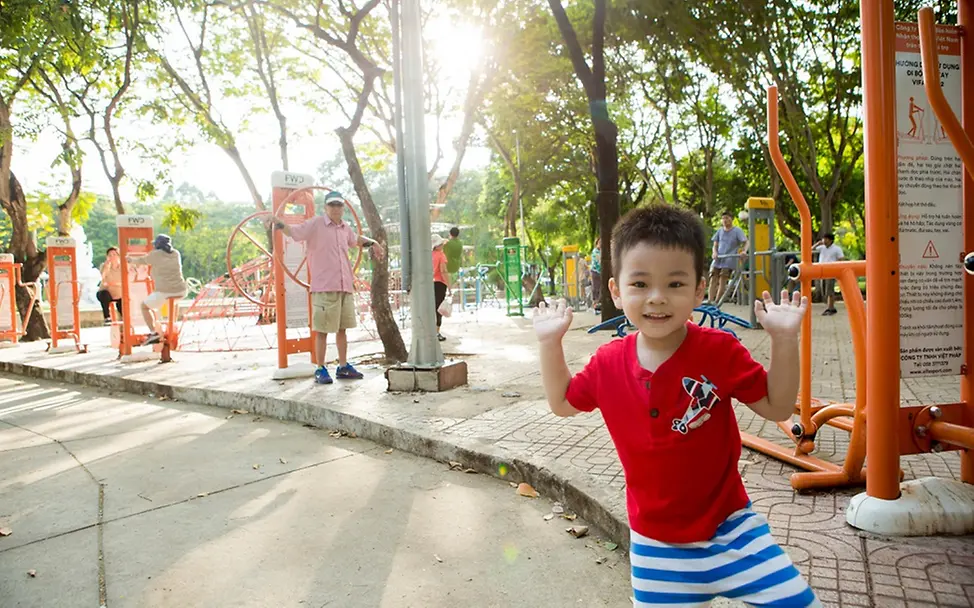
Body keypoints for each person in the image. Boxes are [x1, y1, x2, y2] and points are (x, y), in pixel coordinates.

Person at [533, 204, 817, 608]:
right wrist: (549, 344)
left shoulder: (720, 351)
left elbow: (777, 406)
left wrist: (785, 341)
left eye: (675, 284)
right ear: (616, 290)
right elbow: (562, 403)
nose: (657, 299)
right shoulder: (608, 363)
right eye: (640, 284)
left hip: (733, 532)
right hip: (656, 548)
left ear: (700, 289)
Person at [270, 191, 384, 384]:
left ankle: (343, 365)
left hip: (344, 285)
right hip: (324, 286)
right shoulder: (315, 224)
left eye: (339, 205)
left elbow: (355, 240)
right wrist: (279, 224)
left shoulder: (345, 228)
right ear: (326, 207)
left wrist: (373, 243)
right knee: (322, 330)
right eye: (332, 205)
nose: (336, 209)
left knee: (342, 329)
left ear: (343, 207)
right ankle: (320, 368)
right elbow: (295, 232)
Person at [127, 235, 188, 346]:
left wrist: (129, 260)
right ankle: (171, 325)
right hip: (181, 291)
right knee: (171, 303)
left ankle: (153, 332)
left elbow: (142, 260)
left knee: (144, 306)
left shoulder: (155, 254)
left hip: (164, 292)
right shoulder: (176, 253)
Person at [709, 211, 748, 303]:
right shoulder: (720, 231)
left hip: (729, 259)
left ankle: (717, 301)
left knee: (723, 280)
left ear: (732, 219)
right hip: (718, 259)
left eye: (727, 218)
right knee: (713, 278)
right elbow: (715, 244)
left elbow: (746, 241)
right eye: (723, 218)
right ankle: (710, 300)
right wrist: (714, 252)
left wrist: (744, 251)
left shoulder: (737, 230)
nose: (725, 220)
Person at [813, 232, 844, 315]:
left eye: (826, 239)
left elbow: (841, 259)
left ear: (831, 240)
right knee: (823, 290)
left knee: (829, 290)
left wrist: (837, 269)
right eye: (824, 239)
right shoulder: (822, 248)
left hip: (831, 271)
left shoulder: (837, 249)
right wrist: (817, 243)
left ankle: (830, 307)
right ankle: (830, 307)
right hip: (822, 270)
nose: (824, 241)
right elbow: (810, 250)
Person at [96, 246, 123, 325]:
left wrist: (114, 284)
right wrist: (107, 266)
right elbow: (103, 277)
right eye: (110, 255)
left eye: (114, 254)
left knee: (122, 301)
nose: (112, 257)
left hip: (119, 293)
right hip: (107, 293)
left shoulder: (123, 267)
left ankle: (124, 319)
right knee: (104, 294)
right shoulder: (104, 266)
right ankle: (107, 317)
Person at [432, 233, 450, 342]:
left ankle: (432, 331)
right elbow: (443, 271)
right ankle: (437, 332)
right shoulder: (441, 255)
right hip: (440, 284)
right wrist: (449, 284)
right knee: (439, 309)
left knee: (432, 308)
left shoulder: (428, 255)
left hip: (430, 284)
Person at [590, 237, 602, 312]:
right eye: (600, 242)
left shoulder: (601, 251)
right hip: (596, 272)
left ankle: (598, 303)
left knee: (600, 288)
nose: (601, 244)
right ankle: (595, 303)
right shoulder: (595, 251)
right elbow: (598, 262)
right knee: (596, 287)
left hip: (600, 272)